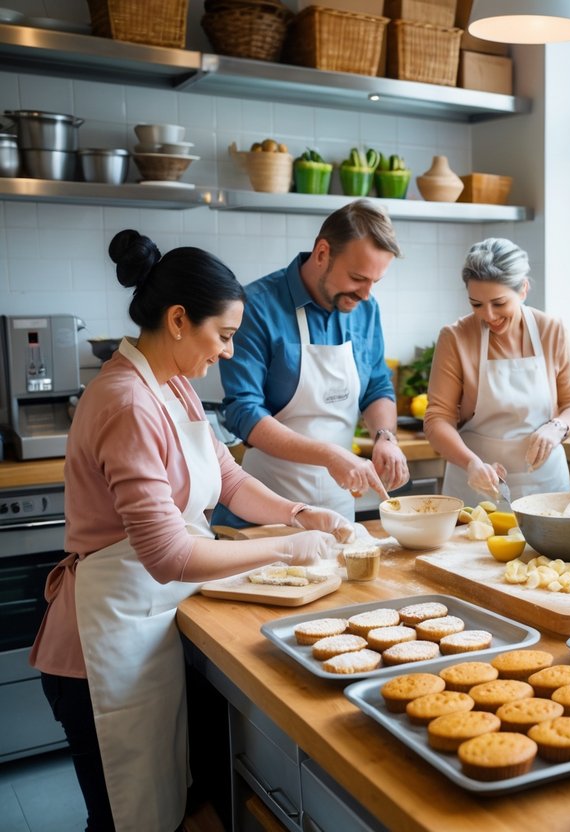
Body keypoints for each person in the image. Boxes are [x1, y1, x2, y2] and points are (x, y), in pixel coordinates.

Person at [31, 231, 349, 832]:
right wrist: (287, 549)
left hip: (142, 625)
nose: (228, 352)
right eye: (223, 336)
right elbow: (169, 555)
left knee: (159, 812)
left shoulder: (172, 383)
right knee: (122, 820)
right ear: (179, 320)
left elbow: (227, 479)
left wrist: (299, 514)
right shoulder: (126, 402)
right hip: (97, 651)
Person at [215, 199, 409, 527]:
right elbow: (244, 412)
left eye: (375, 282)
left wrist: (385, 436)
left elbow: (376, 385)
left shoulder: (366, 308)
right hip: (266, 509)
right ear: (322, 253)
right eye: (357, 278)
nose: (366, 294)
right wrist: (329, 455)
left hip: (338, 510)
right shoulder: (256, 307)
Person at [425, 238, 570, 504]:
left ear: (523, 289)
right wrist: (471, 464)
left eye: (499, 303)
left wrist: (558, 427)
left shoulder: (552, 330)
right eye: (476, 304)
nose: (488, 315)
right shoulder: (455, 337)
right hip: (476, 485)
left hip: (545, 485)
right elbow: (436, 419)